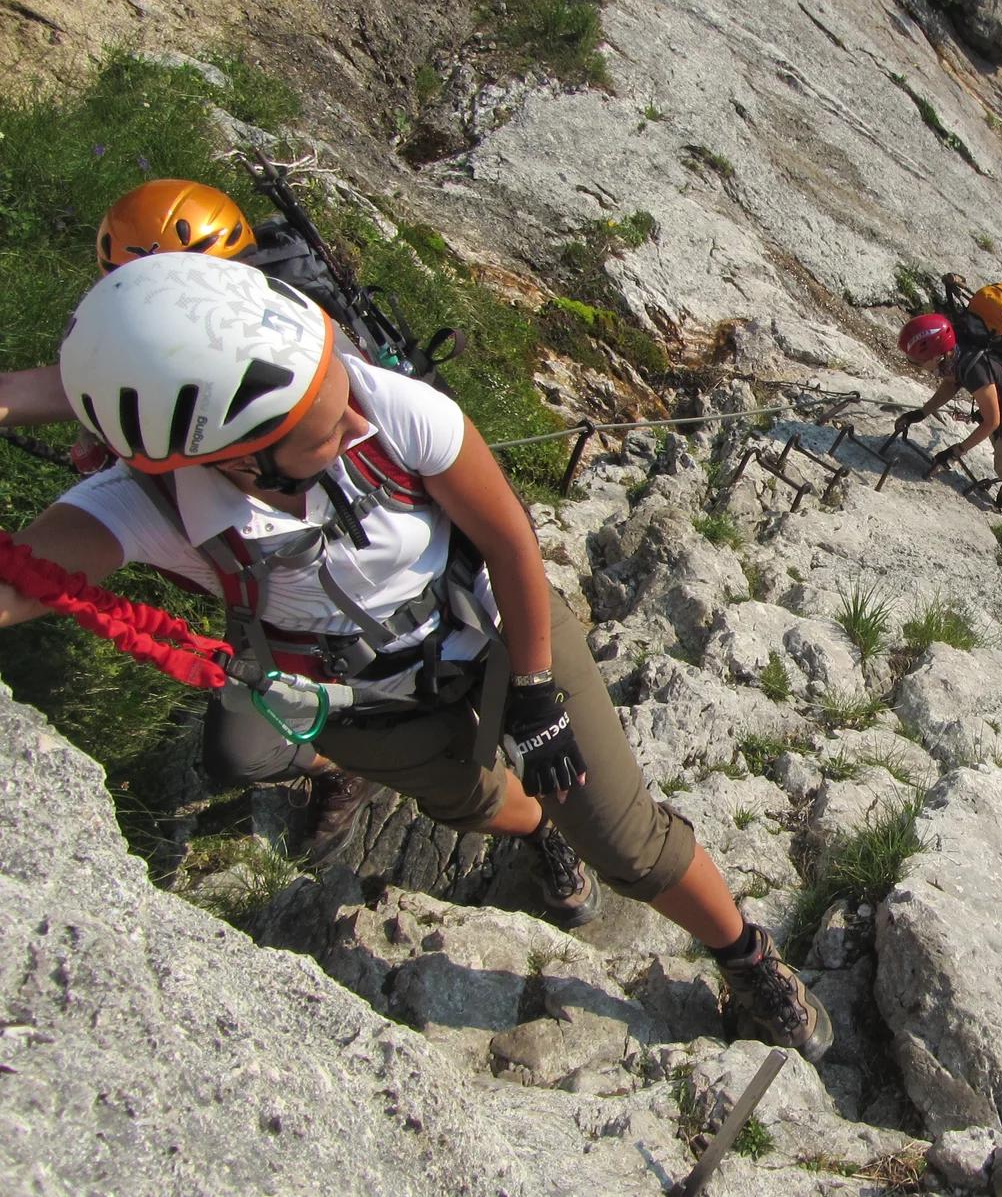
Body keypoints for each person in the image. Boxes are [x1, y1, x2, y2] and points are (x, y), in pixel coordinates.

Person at [0, 254, 831, 1061]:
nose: (353, 419)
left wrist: (537, 693)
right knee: (474, 802)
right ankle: (541, 835)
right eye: (323, 429)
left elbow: (509, 539)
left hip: (504, 632)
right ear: (233, 456)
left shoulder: (383, 405)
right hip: (368, 704)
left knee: (627, 842)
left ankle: (745, 956)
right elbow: (26, 580)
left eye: (339, 393)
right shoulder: (145, 506)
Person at [0, 179, 396, 852]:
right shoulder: (134, 408)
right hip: (237, 572)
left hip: (368, 574)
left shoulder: (316, 359)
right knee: (239, 756)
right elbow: (38, 394)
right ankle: (356, 764)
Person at [892, 277, 1002, 524]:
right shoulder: (958, 352)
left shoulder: (973, 369)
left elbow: (991, 421)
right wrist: (922, 413)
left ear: (937, 355)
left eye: (918, 361)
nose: (916, 367)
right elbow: (950, 384)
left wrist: (954, 453)